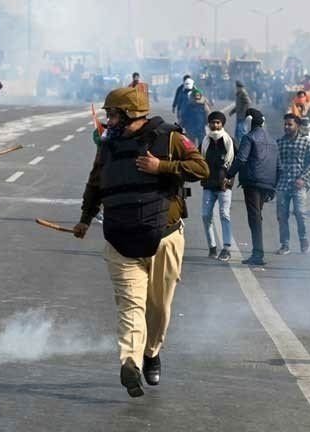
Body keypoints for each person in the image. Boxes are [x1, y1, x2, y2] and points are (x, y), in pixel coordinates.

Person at [73, 87, 209, 398]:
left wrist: (162, 167)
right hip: (120, 239)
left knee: (159, 308)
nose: (108, 120)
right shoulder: (107, 146)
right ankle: (131, 363)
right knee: (131, 306)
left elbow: (201, 168)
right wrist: (85, 218)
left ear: (129, 114)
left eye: (112, 114)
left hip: (165, 237)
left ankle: (151, 352)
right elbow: (95, 183)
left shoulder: (170, 138)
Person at [226, 109, 278, 266]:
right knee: (257, 216)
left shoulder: (248, 137)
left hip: (252, 182)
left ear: (249, 123)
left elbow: (241, 159)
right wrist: (273, 187)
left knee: (254, 218)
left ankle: (258, 254)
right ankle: (258, 252)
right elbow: (279, 166)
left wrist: (228, 175)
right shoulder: (272, 140)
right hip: (267, 183)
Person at [275, 113, 310, 255]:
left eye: (290, 124)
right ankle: (285, 244)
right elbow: (275, 164)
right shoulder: (279, 142)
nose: (286, 127)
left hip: (299, 185)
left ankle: (303, 240)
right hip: (282, 185)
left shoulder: (306, 142)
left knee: (300, 213)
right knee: (282, 216)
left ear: (297, 126)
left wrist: (303, 178)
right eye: (285, 124)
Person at [200, 111, 236, 261]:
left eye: (218, 123)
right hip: (208, 184)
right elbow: (197, 160)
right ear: (208, 124)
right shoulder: (205, 142)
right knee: (205, 216)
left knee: (224, 215)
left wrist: (230, 179)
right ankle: (212, 247)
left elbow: (238, 162)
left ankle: (226, 248)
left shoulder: (229, 141)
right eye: (212, 122)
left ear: (222, 124)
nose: (215, 125)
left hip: (224, 186)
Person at [228, 80, 252, 145]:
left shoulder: (243, 93)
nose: (236, 88)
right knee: (237, 133)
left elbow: (248, 102)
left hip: (242, 116)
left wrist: (244, 112)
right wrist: (232, 111)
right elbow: (238, 106)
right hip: (239, 116)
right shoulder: (239, 94)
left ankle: (243, 145)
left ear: (239, 87)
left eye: (236, 87)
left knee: (241, 132)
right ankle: (238, 145)